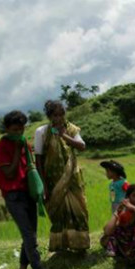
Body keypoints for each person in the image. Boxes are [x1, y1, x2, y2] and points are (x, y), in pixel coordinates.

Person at [0, 110, 60, 269]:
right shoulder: (0, 147)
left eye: (21, 130)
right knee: (29, 236)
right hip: (13, 196)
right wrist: (17, 150)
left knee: (30, 236)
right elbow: (9, 173)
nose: (18, 134)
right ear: (6, 129)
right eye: (14, 130)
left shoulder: (25, 145)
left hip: (28, 193)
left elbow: (32, 169)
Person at [34, 100, 89, 252]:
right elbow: (38, 159)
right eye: (55, 115)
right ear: (49, 116)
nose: (58, 118)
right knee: (58, 214)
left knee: (79, 211)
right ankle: (62, 246)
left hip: (72, 179)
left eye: (61, 114)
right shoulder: (42, 132)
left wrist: (64, 136)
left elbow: (82, 146)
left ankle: (81, 245)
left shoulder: (71, 129)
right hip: (52, 180)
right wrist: (43, 184)